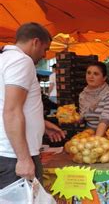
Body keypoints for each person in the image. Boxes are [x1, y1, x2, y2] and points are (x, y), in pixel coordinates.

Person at [0, 22, 65, 188]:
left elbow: (6, 105)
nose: (45, 55)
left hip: (7, 152)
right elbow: (12, 110)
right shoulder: (21, 61)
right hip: (14, 154)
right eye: (45, 49)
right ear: (35, 42)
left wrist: (42, 124)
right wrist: (23, 158)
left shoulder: (5, 59)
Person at [79, 62, 109, 137]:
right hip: (89, 135)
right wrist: (72, 118)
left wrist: (97, 140)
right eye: (88, 73)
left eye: (96, 74)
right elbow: (83, 118)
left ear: (104, 78)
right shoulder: (83, 95)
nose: (91, 76)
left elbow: (105, 119)